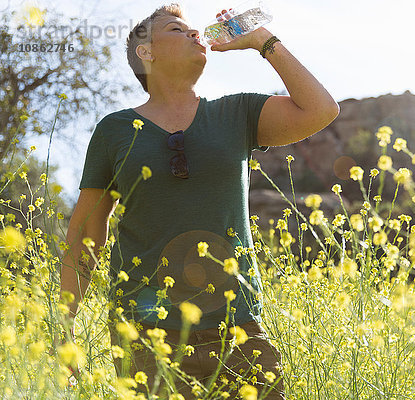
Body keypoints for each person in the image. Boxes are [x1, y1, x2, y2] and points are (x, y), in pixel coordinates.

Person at [60, 2, 339, 399]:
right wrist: (64, 325)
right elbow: (86, 233)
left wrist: (262, 40)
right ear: (146, 51)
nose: (194, 33)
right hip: (146, 334)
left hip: (239, 327)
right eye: (177, 29)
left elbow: (322, 109)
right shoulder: (114, 130)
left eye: (194, 29)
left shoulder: (237, 113)